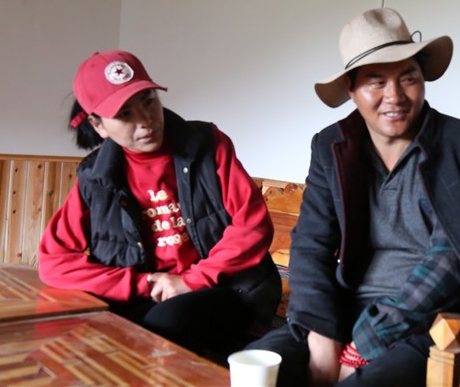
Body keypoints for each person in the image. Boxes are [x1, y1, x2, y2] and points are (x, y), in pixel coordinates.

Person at [248, 8, 460, 386]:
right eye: (376, 82)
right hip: (343, 309)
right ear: (351, 90)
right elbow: (310, 244)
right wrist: (322, 336)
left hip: (434, 324)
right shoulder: (332, 146)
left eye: (408, 78)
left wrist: (363, 344)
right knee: (252, 373)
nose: (395, 96)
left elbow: (448, 260)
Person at [39, 50, 281, 365]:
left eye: (149, 101)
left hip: (226, 288)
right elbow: (54, 262)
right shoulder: (95, 177)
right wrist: (140, 284)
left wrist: (191, 280)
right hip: (147, 294)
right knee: (83, 329)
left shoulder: (207, 144)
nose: (145, 121)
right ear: (98, 125)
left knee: (164, 323)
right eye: (125, 114)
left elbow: (253, 224)